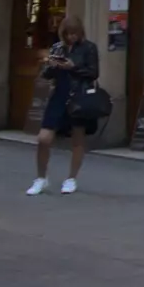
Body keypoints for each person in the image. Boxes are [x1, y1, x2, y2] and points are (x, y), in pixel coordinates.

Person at [28, 15, 99, 196]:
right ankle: (41, 178)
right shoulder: (58, 48)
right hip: (59, 95)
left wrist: (72, 67)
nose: (71, 37)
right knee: (43, 139)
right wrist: (51, 66)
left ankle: (71, 179)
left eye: (74, 34)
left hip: (79, 97)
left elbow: (93, 73)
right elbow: (46, 74)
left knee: (77, 139)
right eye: (67, 34)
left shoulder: (89, 48)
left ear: (80, 32)